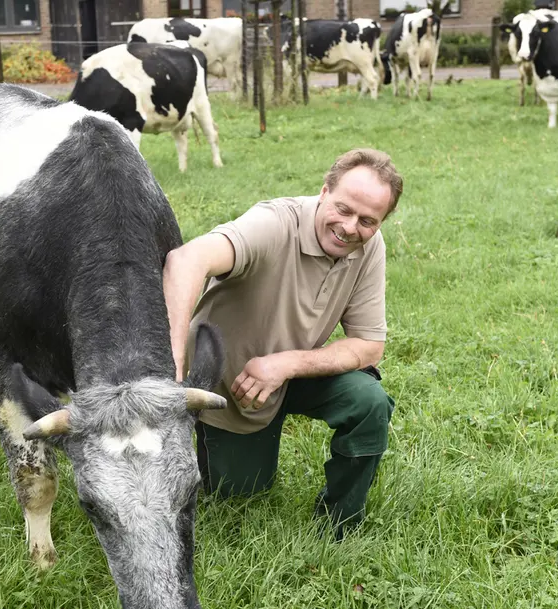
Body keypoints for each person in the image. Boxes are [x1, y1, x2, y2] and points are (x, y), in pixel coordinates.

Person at [163, 148, 403, 540]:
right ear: (323, 192)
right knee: (240, 492)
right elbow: (185, 260)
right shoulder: (274, 224)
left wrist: (285, 364)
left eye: (367, 220)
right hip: (230, 385)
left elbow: (368, 346)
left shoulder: (368, 248)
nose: (349, 227)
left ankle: (339, 525)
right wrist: (172, 363)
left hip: (290, 371)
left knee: (369, 401)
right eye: (343, 209)